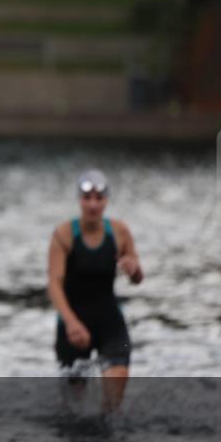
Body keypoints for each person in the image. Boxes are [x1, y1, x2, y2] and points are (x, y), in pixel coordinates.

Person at [47, 169, 143, 413]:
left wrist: (133, 270)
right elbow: (54, 284)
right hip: (73, 324)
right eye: (87, 198)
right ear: (79, 200)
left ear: (106, 200)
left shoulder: (120, 232)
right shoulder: (63, 235)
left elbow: (138, 277)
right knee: (72, 410)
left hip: (109, 321)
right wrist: (71, 323)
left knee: (112, 406)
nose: (93, 204)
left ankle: (107, 430)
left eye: (99, 198)